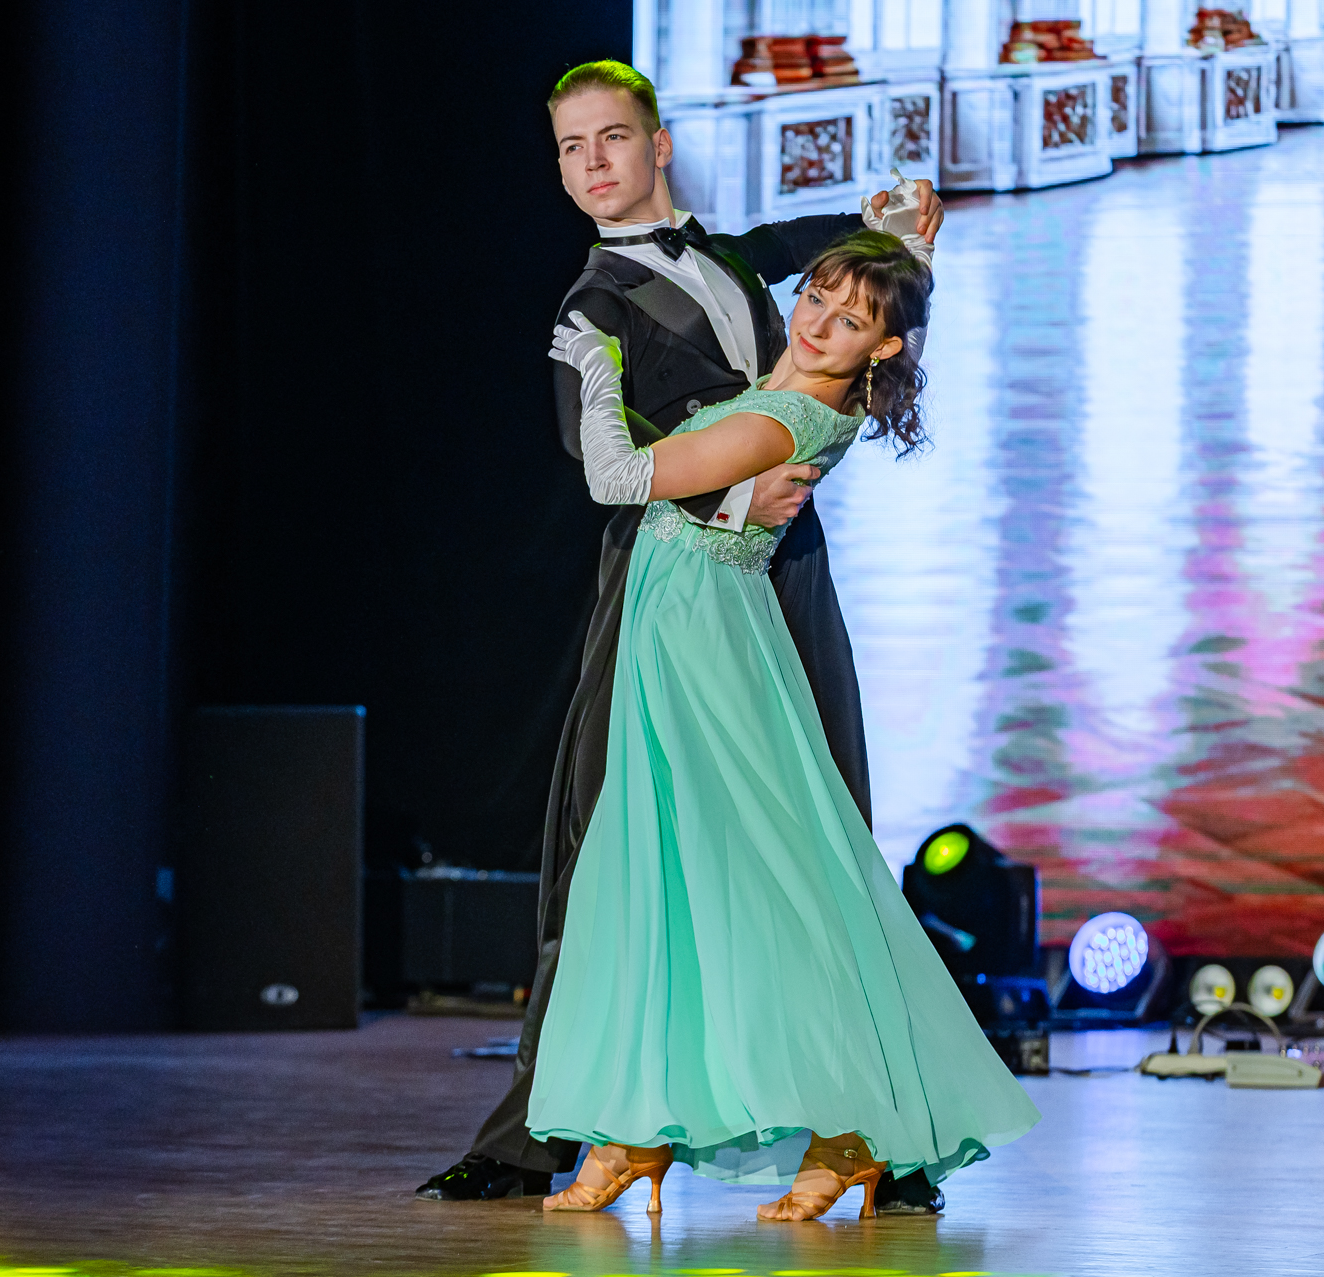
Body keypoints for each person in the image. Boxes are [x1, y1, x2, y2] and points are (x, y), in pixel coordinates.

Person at [415, 60, 949, 1214]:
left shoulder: (741, 256)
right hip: (672, 576)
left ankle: (887, 1133)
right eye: (570, 147)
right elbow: (595, 455)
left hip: (787, 570)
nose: (592, 163)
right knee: (614, 843)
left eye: (611, 137)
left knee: (826, 841)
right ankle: (549, 1133)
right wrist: (732, 493)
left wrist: (901, 224)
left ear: (658, 143)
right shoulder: (592, 303)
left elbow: (855, 261)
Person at [529, 230, 1040, 1221]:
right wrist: (902, 242)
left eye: (849, 321)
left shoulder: (781, 418)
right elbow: (836, 331)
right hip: (681, 629)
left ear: (882, 348)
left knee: (759, 877)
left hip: (702, 639)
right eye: (815, 297)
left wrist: (593, 362)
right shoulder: (801, 389)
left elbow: (618, 478)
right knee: (665, 872)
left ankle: (847, 1127)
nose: (815, 322)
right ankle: (637, 1126)